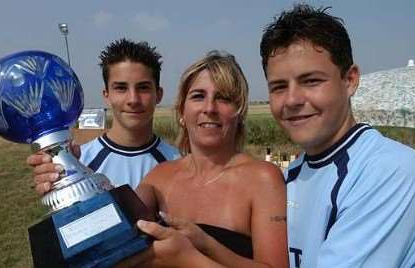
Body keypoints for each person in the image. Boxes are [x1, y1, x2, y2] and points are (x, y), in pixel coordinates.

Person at [32, 51, 289, 267]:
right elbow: (115, 234)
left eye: (223, 98)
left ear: (239, 111)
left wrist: (200, 249)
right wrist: (72, 175)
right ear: (182, 110)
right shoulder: (160, 177)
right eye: (198, 96)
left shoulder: (263, 177)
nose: (209, 108)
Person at [259, 4, 415, 267]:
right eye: (279, 87)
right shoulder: (290, 175)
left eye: (311, 81)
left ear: (350, 80)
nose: (292, 99)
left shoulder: (389, 171)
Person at [28, 38, 179, 191]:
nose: (133, 99)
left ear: (158, 95)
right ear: (106, 95)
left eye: (143, 88)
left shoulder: (178, 163)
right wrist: (57, 185)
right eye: (121, 88)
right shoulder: (78, 163)